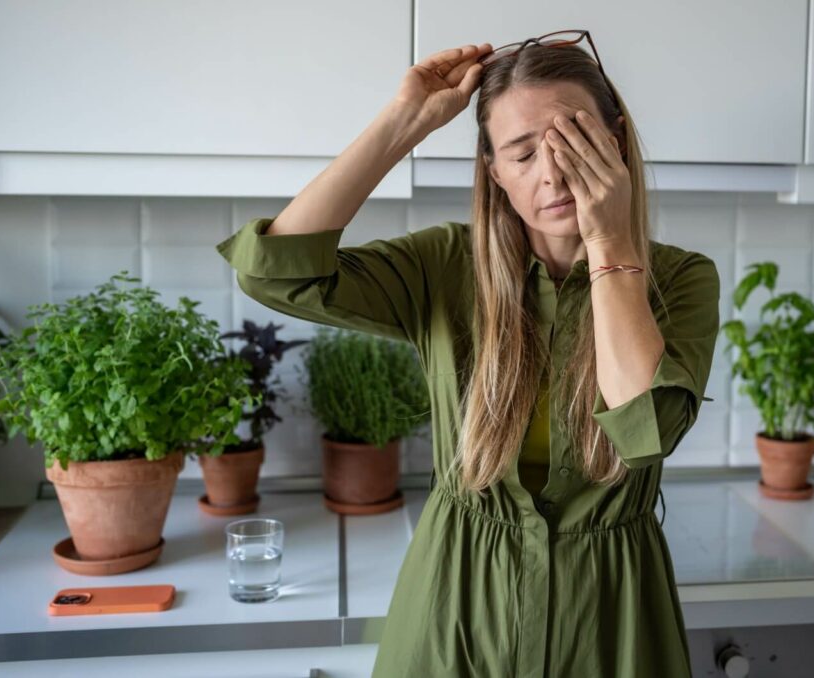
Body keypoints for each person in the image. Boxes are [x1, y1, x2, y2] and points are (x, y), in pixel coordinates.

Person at [216, 34, 719, 678]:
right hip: (452, 607)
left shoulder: (680, 280)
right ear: (494, 171)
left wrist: (609, 239)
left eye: (576, 142)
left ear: (616, 144)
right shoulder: (445, 266)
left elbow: (645, 429)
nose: (553, 172)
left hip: (612, 622)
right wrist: (404, 122)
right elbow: (275, 274)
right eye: (524, 152)